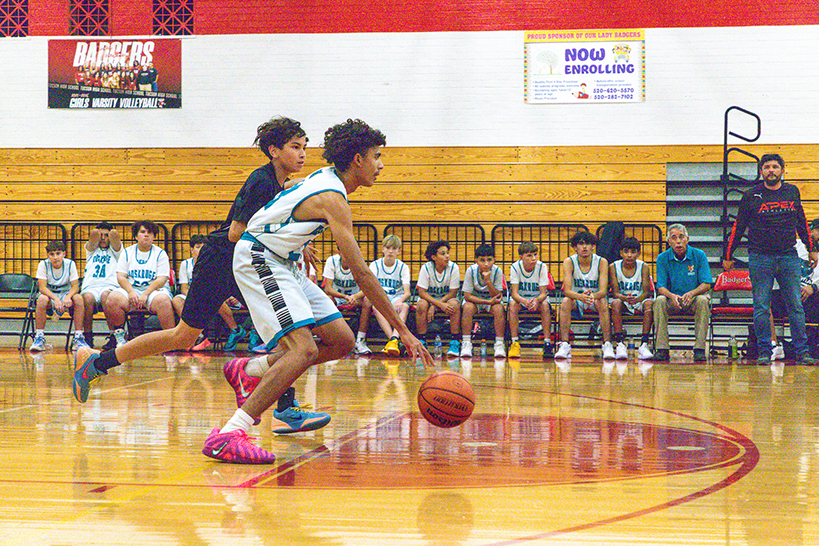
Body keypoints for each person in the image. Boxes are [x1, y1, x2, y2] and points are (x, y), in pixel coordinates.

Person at [72, 117, 327, 436]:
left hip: (238, 261)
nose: (303, 154)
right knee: (195, 335)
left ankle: (96, 363)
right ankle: (286, 406)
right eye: (295, 147)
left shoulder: (280, 184)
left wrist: (298, 244)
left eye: (305, 147)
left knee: (187, 335)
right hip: (224, 259)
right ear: (274, 150)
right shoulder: (262, 181)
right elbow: (236, 232)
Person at [208, 118, 431, 463]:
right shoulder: (332, 197)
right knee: (303, 349)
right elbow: (361, 271)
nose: (381, 165)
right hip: (260, 258)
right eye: (377, 156)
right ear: (357, 159)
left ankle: (249, 370)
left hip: (284, 260)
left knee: (340, 340)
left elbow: (289, 198)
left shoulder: (323, 180)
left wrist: (293, 239)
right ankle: (229, 434)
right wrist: (402, 330)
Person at [724, 153, 817, 365]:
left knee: (795, 305)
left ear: (782, 170)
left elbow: (801, 221)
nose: (771, 170)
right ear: (761, 172)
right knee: (761, 306)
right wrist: (728, 255)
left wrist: (810, 248)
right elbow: (738, 226)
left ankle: (802, 351)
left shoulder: (792, 191)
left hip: (788, 256)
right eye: (767, 167)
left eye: (775, 166)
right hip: (760, 257)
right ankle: (765, 351)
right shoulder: (751, 195)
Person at [105, 220, 175, 346]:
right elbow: (120, 277)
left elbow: (162, 279)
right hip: (133, 289)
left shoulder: (160, 253)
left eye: (149, 233)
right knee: (112, 299)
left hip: (154, 290)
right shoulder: (127, 252)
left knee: (164, 301)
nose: (146, 235)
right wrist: (131, 292)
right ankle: (120, 335)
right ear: (136, 236)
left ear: (154, 236)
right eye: (142, 232)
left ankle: (171, 341)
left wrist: (146, 294)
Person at [653, 223, 711, 362]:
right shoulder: (662, 258)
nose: (678, 241)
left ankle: (699, 349)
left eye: (681, 237)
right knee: (659, 300)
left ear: (687, 239)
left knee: (703, 300)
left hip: (693, 299)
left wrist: (692, 294)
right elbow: (660, 287)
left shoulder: (699, 255)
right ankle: (662, 348)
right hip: (672, 300)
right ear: (669, 242)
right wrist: (672, 296)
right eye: (674, 238)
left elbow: (706, 284)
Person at [555, 231, 613, 360]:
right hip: (577, 299)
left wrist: (591, 296)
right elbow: (567, 291)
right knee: (565, 301)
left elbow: (603, 291)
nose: (585, 247)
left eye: (588, 244)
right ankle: (564, 344)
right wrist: (581, 297)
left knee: (603, 301)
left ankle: (607, 343)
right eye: (581, 244)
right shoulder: (569, 261)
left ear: (593, 246)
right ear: (575, 247)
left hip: (595, 298)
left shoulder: (602, 261)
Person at [30, 240, 85, 352]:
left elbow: (75, 286)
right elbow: (42, 288)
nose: (55, 257)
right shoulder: (43, 264)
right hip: (50, 295)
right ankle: (39, 337)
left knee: (78, 298)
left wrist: (68, 297)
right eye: (52, 254)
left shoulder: (70, 264)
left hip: (65, 294)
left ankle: (78, 337)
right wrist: (55, 298)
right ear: (48, 255)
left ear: (64, 254)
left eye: (58, 253)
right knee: (41, 299)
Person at [362, 235, 411, 356]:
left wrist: (399, 300)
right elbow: (371, 287)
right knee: (376, 307)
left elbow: (407, 292)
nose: (390, 251)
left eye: (394, 248)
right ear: (382, 249)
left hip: (396, 298)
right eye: (388, 247)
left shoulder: (403, 267)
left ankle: (393, 340)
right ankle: (393, 340)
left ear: (399, 251)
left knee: (405, 306)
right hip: (381, 298)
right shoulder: (375, 265)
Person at [609, 237, 654, 360]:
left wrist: (638, 299)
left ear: (638, 253)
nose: (629, 255)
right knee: (616, 303)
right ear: (621, 253)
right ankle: (619, 344)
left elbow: (646, 292)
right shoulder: (613, 266)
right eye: (626, 251)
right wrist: (624, 297)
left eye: (633, 252)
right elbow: (615, 293)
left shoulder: (644, 266)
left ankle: (644, 344)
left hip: (639, 299)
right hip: (623, 300)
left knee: (649, 304)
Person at [79, 221, 122, 348]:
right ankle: (87, 336)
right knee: (87, 298)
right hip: (91, 286)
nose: (103, 238)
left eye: (106, 235)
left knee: (105, 296)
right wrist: (97, 233)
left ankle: (114, 335)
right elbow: (93, 237)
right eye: (101, 235)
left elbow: (115, 237)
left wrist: (111, 232)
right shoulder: (91, 250)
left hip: (109, 286)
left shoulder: (116, 250)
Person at [415, 240, 461, 358]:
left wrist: (436, 305)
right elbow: (421, 293)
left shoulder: (453, 267)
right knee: (421, 304)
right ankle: (422, 342)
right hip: (430, 299)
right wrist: (436, 304)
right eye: (443, 253)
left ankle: (455, 342)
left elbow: (453, 292)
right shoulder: (426, 268)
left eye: (447, 253)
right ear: (434, 257)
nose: (447, 256)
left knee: (454, 304)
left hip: (446, 299)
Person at [507, 241, 553, 360]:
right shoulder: (515, 267)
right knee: (512, 305)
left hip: (537, 299)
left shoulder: (542, 266)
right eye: (529, 255)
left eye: (535, 254)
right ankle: (515, 342)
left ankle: (547, 342)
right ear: (521, 257)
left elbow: (544, 293)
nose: (534, 258)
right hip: (522, 299)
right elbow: (514, 293)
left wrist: (536, 300)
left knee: (545, 305)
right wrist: (525, 301)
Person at [460, 243, 506, 359]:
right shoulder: (470, 270)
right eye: (482, 260)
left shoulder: (497, 271)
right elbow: (467, 296)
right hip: (476, 301)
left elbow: (497, 295)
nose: (486, 264)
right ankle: (466, 343)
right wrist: (488, 302)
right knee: (467, 308)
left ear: (494, 260)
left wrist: (488, 281)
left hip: (491, 301)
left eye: (489, 260)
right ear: (476, 261)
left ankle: (499, 344)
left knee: (499, 309)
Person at [322, 249, 371, 354]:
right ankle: (332, 339)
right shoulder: (332, 261)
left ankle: (360, 340)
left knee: (367, 301)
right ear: (339, 253)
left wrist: (355, 296)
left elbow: (366, 288)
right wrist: (345, 297)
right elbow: (328, 289)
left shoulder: (359, 262)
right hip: (338, 297)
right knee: (328, 299)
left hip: (354, 298)